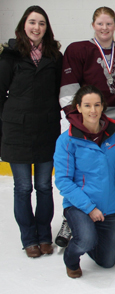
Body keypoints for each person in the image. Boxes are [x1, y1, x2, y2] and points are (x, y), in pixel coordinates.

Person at [56, 6, 115, 248]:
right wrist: (79, 123)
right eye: (100, 24)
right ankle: (71, 217)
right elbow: (69, 90)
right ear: (93, 25)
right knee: (83, 172)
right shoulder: (78, 49)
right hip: (91, 122)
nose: (104, 28)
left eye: (109, 23)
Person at [0, 6, 62, 258]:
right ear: (24, 25)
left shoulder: (55, 56)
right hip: (17, 131)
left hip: (47, 129)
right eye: (32, 22)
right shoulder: (9, 56)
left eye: (42, 23)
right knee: (23, 188)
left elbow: (60, 91)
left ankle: (44, 235)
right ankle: (29, 238)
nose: (36, 27)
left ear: (47, 28)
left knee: (45, 187)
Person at [54, 85, 115, 278]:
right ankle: (72, 257)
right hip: (80, 205)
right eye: (87, 105)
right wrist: (89, 208)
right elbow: (63, 181)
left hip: (109, 205)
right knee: (86, 240)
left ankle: (88, 235)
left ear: (103, 107)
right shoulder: (67, 141)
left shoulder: (113, 134)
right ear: (78, 108)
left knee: (108, 262)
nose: (93, 110)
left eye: (97, 105)